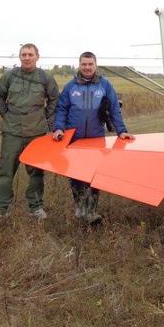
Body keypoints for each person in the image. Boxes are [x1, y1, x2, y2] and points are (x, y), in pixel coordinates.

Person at [52, 51, 134, 224]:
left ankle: (92, 211)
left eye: (90, 64)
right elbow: (61, 109)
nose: (87, 67)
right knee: (76, 174)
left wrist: (121, 130)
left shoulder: (105, 85)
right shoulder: (70, 86)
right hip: (74, 139)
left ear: (95, 65)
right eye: (84, 64)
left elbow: (114, 109)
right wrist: (59, 128)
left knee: (93, 175)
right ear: (79, 65)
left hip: (96, 138)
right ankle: (80, 207)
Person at [0, 43, 59, 223]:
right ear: (19, 57)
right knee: (6, 171)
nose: (27, 58)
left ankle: (36, 207)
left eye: (30, 54)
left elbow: (54, 100)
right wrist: (7, 116)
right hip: (12, 132)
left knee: (36, 172)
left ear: (37, 56)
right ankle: (0, 209)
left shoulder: (46, 77)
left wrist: (44, 118)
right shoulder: (9, 76)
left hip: (37, 132)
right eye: (24, 54)